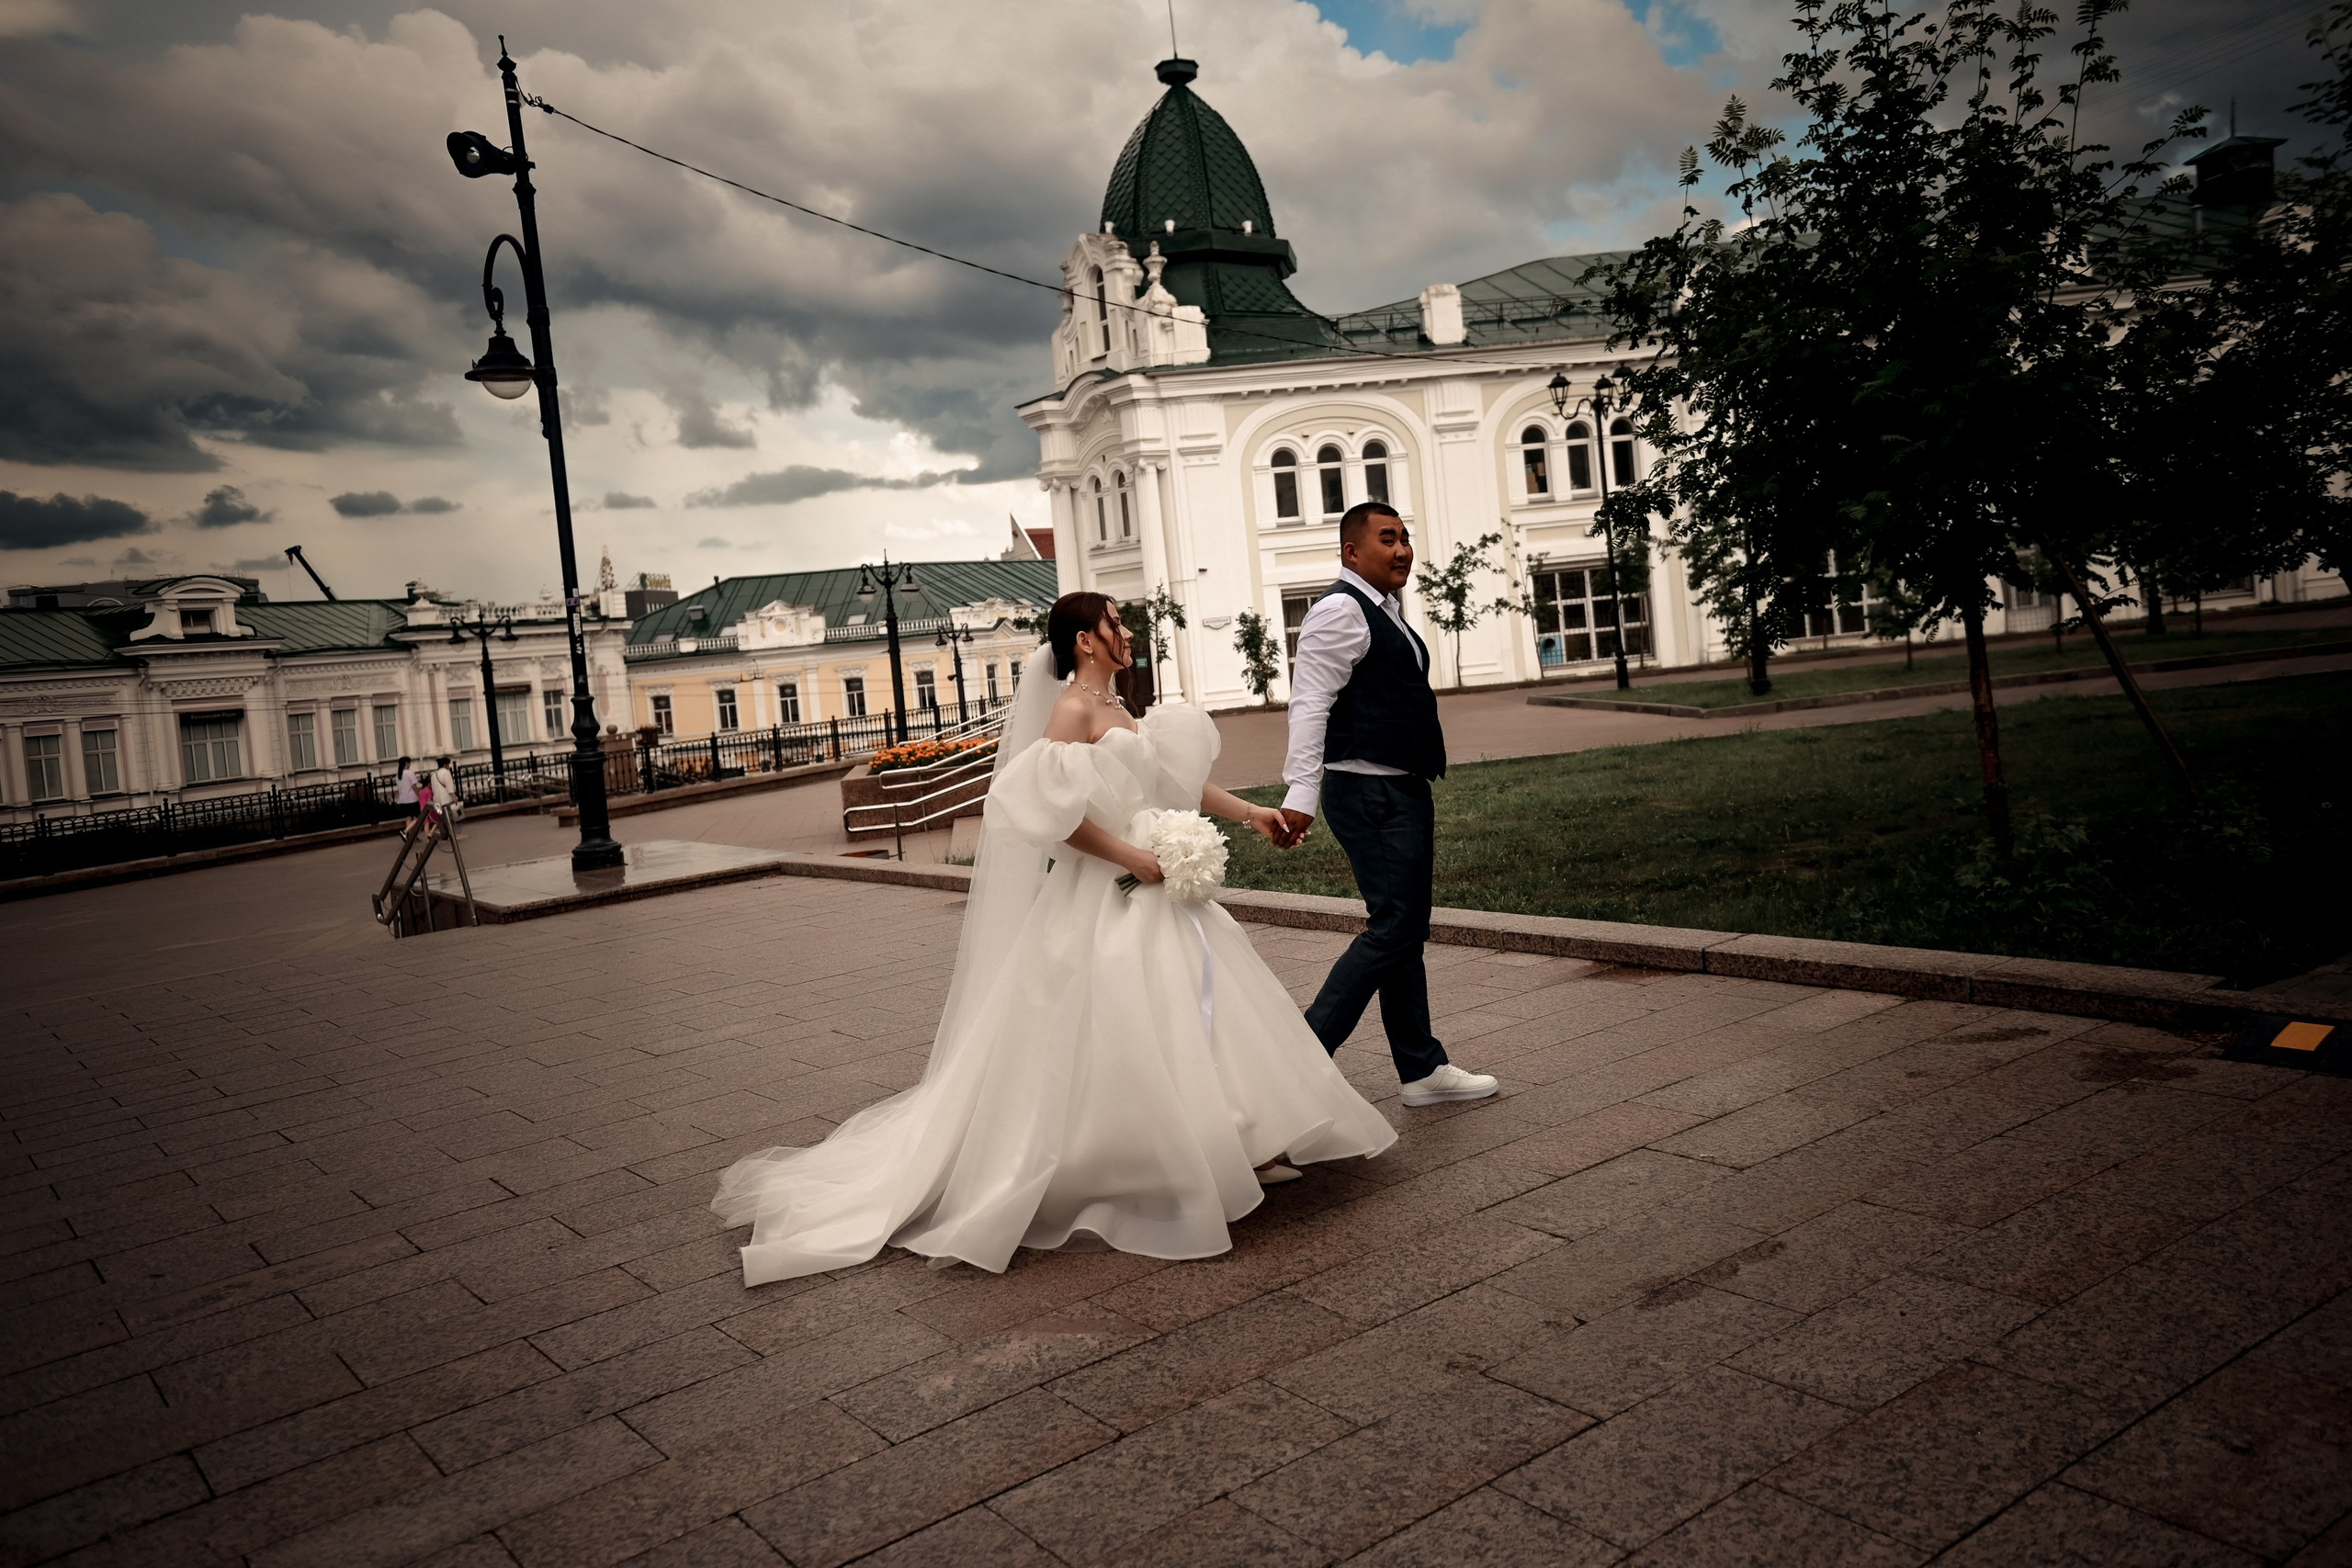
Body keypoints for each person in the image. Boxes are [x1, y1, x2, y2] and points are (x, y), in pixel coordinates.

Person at [712, 592, 1396, 1284]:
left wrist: (1252, 813)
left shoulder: (1122, 706)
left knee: (1199, 998)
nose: (1126, 632)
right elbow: (1052, 812)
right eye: (1114, 623)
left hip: (1156, 879)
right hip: (1107, 887)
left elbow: (1167, 779)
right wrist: (1131, 858)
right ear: (1084, 641)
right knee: (1130, 1016)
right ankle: (1148, 1159)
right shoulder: (1071, 710)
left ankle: (1240, 1136)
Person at [1278, 502, 1499, 1107]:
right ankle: (1295, 1060)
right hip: (1368, 791)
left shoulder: (1384, 611)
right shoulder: (1339, 611)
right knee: (1396, 926)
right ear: (1352, 552)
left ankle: (1421, 1068)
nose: (1402, 549)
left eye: (1405, 538)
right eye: (1387, 539)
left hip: (1399, 787)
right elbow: (1309, 705)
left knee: (1404, 930)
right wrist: (1299, 794)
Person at [394, 757, 421, 836]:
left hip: (403, 799)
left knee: (409, 818)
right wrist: (419, 794)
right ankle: (405, 831)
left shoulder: (398, 775)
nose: (410, 764)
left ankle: (410, 836)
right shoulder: (409, 773)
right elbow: (414, 786)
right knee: (419, 817)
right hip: (412, 799)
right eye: (409, 763)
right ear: (406, 763)